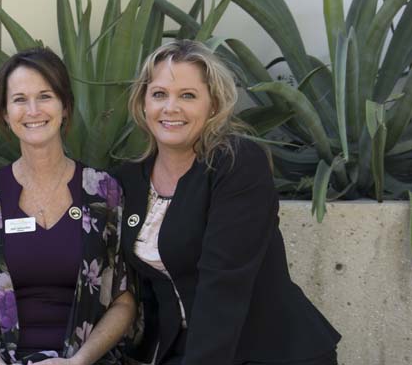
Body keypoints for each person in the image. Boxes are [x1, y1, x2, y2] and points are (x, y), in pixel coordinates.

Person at [117, 40, 341, 365]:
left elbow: (223, 285)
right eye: (159, 94)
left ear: (214, 104)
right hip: (183, 351)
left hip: (267, 353)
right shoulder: (130, 179)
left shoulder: (236, 164)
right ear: (142, 103)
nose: (171, 107)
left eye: (188, 95)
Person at [0, 47, 137, 364]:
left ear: (65, 106)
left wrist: (78, 362)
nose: (33, 110)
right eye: (20, 100)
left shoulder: (103, 191)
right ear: (5, 114)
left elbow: (123, 299)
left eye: (45, 96)